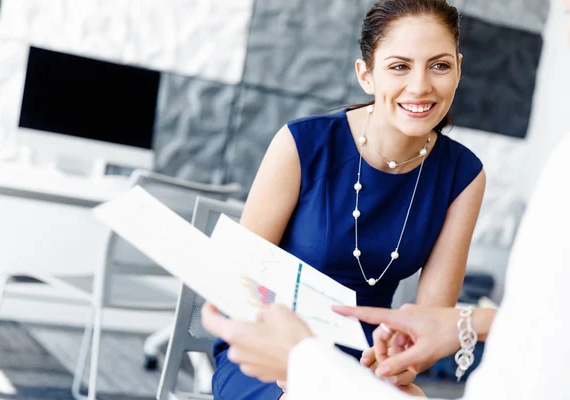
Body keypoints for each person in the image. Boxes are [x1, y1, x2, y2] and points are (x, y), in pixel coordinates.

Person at [203, 1, 570, 397]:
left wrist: (400, 360)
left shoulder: (464, 175)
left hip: (369, 360)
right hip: (270, 348)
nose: (420, 86)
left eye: (440, 66)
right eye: (399, 66)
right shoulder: (302, 144)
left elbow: (431, 322)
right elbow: (236, 280)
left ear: (459, 70)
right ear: (366, 75)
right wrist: (297, 360)